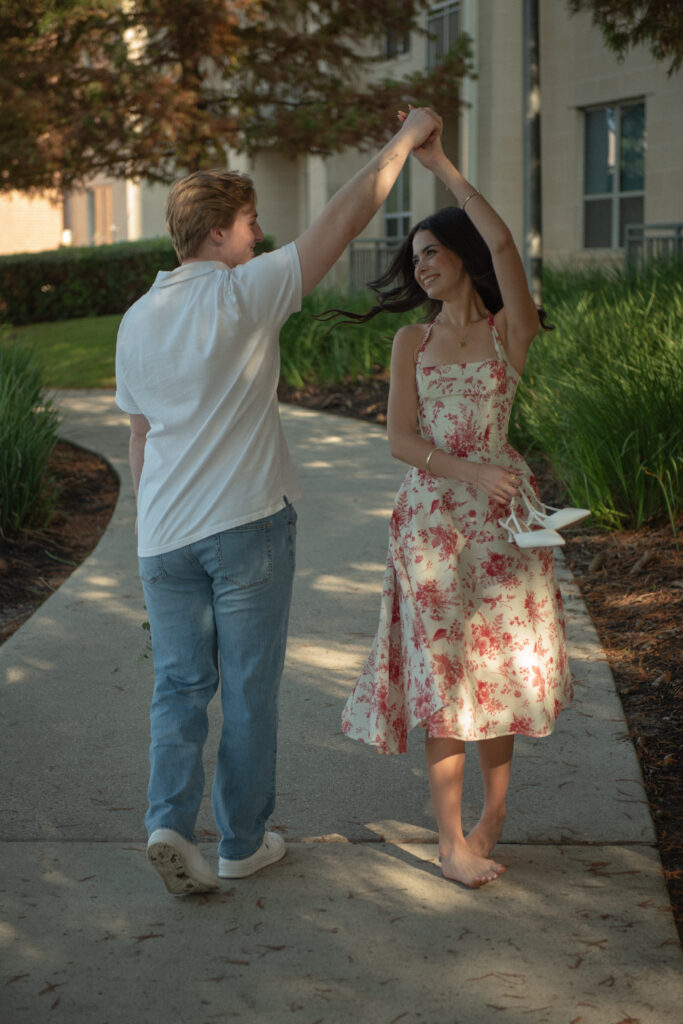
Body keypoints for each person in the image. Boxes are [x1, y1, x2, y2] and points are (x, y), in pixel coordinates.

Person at [114, 105, 442, 895]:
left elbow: (139, 438)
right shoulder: (243, 292)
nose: (259, 237)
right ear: (221, 231)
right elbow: (348, 210)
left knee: (180, 688)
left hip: (162, 537)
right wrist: (404, 140)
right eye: (252, 223)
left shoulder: (135, 318)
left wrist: (145, 533)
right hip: (245, 526)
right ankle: (241, 843)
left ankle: (167, 821)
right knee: (249, 689)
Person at [339, 116, 575, 888]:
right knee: (446, 677)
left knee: (497, 671)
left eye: (432, 252)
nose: (422, 266)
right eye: (414, 259)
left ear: (462, 258)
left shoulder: (512, 331)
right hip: (433, 525)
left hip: (506, 527)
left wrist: (440, 166)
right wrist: (467, 474)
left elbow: (505, 247)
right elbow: (399, 443)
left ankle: (492, 820)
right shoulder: (412, 341)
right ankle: (447, 841)